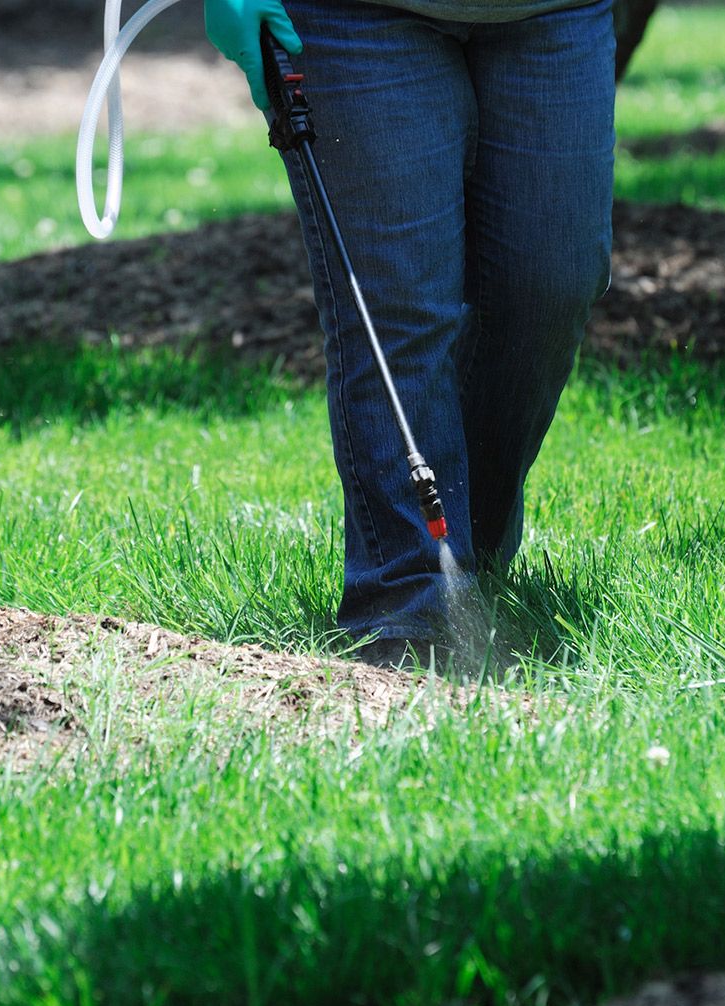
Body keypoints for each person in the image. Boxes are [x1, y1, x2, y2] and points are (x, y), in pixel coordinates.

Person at [205, 0, 615, 666]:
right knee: (396, 311)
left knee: (551, 284)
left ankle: (467, 559)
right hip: (355, 18)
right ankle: (409, 611)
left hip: (554, 11)